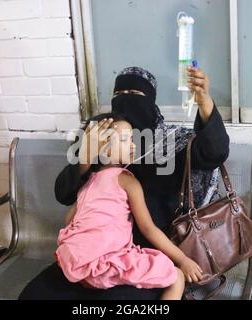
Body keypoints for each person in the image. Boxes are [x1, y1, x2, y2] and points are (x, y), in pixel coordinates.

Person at [19, 66, 230, 300]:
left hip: (148, 253)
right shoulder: (102, 139)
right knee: (34, 295)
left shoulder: (171, 141)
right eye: (120, 93)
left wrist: (204, 102)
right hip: (95, 250)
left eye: (136, 95)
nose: (127, 101)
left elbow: (214, 152)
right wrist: (85, 158)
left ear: (151, 101)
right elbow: (64, 194)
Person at [55, 112, 204, 300]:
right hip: (107, 263)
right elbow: (148, 229)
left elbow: (69, 220)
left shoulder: (87, 182)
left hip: (74, 261)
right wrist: (182, 259)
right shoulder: (126, 180)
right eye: (126, 140)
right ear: (105, 149)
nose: (134, 145)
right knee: (177, 277)